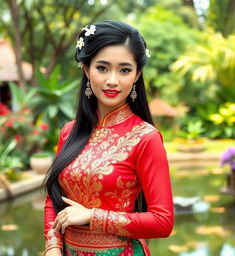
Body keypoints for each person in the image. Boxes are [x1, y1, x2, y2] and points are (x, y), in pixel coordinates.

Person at [43, 20, 173, 256]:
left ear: (137, 74)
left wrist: (93, 216)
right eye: (102, 68)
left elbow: (162, 221)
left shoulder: (146, 138)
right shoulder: (69, 132)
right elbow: (54, 198)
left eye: (124, 70)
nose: (113, 80)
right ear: (86, 68)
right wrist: (53, 246)